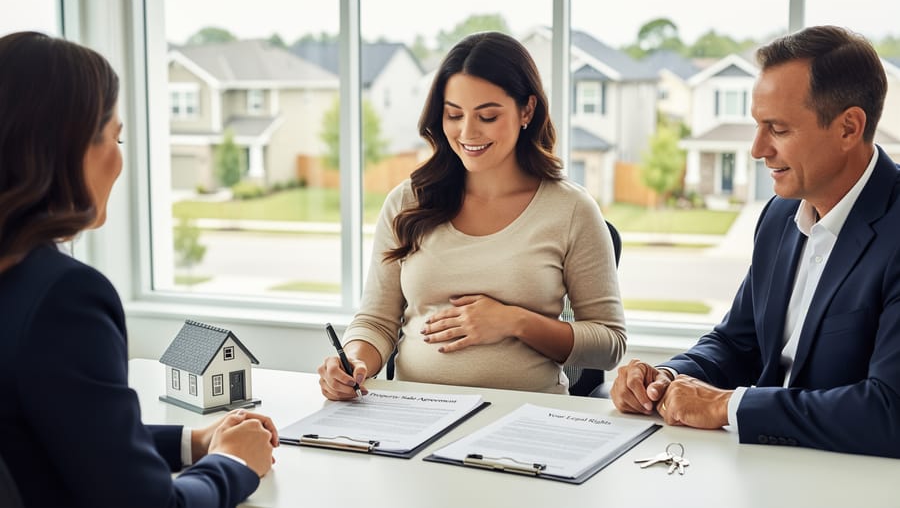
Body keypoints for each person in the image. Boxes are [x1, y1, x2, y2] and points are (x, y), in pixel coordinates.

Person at [0, 31, 279, 507]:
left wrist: (195, 443)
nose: (120, 160)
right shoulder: (63, 297)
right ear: (68, 148)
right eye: (116, 136)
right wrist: (234, 464)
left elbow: (57, 435)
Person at [610, 25, 900, 458]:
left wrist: (728, 405)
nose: (757, 148)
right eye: (757, 125)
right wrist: (665, 378)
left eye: (777, 129)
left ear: (848, 128)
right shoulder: (780, 216)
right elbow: (736, 342)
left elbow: (888, 412)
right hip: (759, 465)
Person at [318, 31, 626, 399]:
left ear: (526, 110)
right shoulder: (406, 202)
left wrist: (513, 322)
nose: (467, 132)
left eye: (488, 116)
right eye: (454, 115)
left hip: (523, 421)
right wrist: (353, 362)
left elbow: (609, 344)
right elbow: (376, 322)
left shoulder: (571, 209)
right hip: (412, 414)